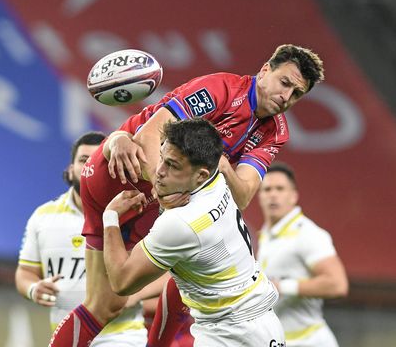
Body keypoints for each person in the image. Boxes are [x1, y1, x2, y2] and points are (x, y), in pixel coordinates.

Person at [49, 44, 325, 347]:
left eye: (296, 94)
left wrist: (220, 166)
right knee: (126, 292)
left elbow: (243, 195)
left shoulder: (275, 131)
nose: (286, 97)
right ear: (265, 71)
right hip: (120, 174)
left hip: (155, 189)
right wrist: (163, 193)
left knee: (113, 303)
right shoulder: (221, 89)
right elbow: (148, 137)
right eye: (284, 83)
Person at [103, 118, 285, 346]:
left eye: (173, 165)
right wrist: (118, 138)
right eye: (162, 157)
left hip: (231, 335)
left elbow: (122, 282)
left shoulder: (180, 223)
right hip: (261, 323)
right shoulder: (217, 180)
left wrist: (110, 217)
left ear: (200, 174)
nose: (158, 171)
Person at [16, 131, 148, 346]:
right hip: (70, 335)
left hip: (121, 335)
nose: (90, 167)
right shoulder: (43, 216)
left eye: (97, 161)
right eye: (84, 160)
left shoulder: (134, 210)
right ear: (70, 170)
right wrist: (34, 289)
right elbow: (25, 272)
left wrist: (129, 294)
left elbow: (168, 270)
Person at [257, 162, 348, 346]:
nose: (273, 194)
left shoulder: (308, 234)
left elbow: (337, 285)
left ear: (293, 196)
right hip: (281, 341)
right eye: (267, 189)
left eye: (280, 189)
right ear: (259, 196)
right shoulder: (266, 234)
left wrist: (282, 287)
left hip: (310, 340)